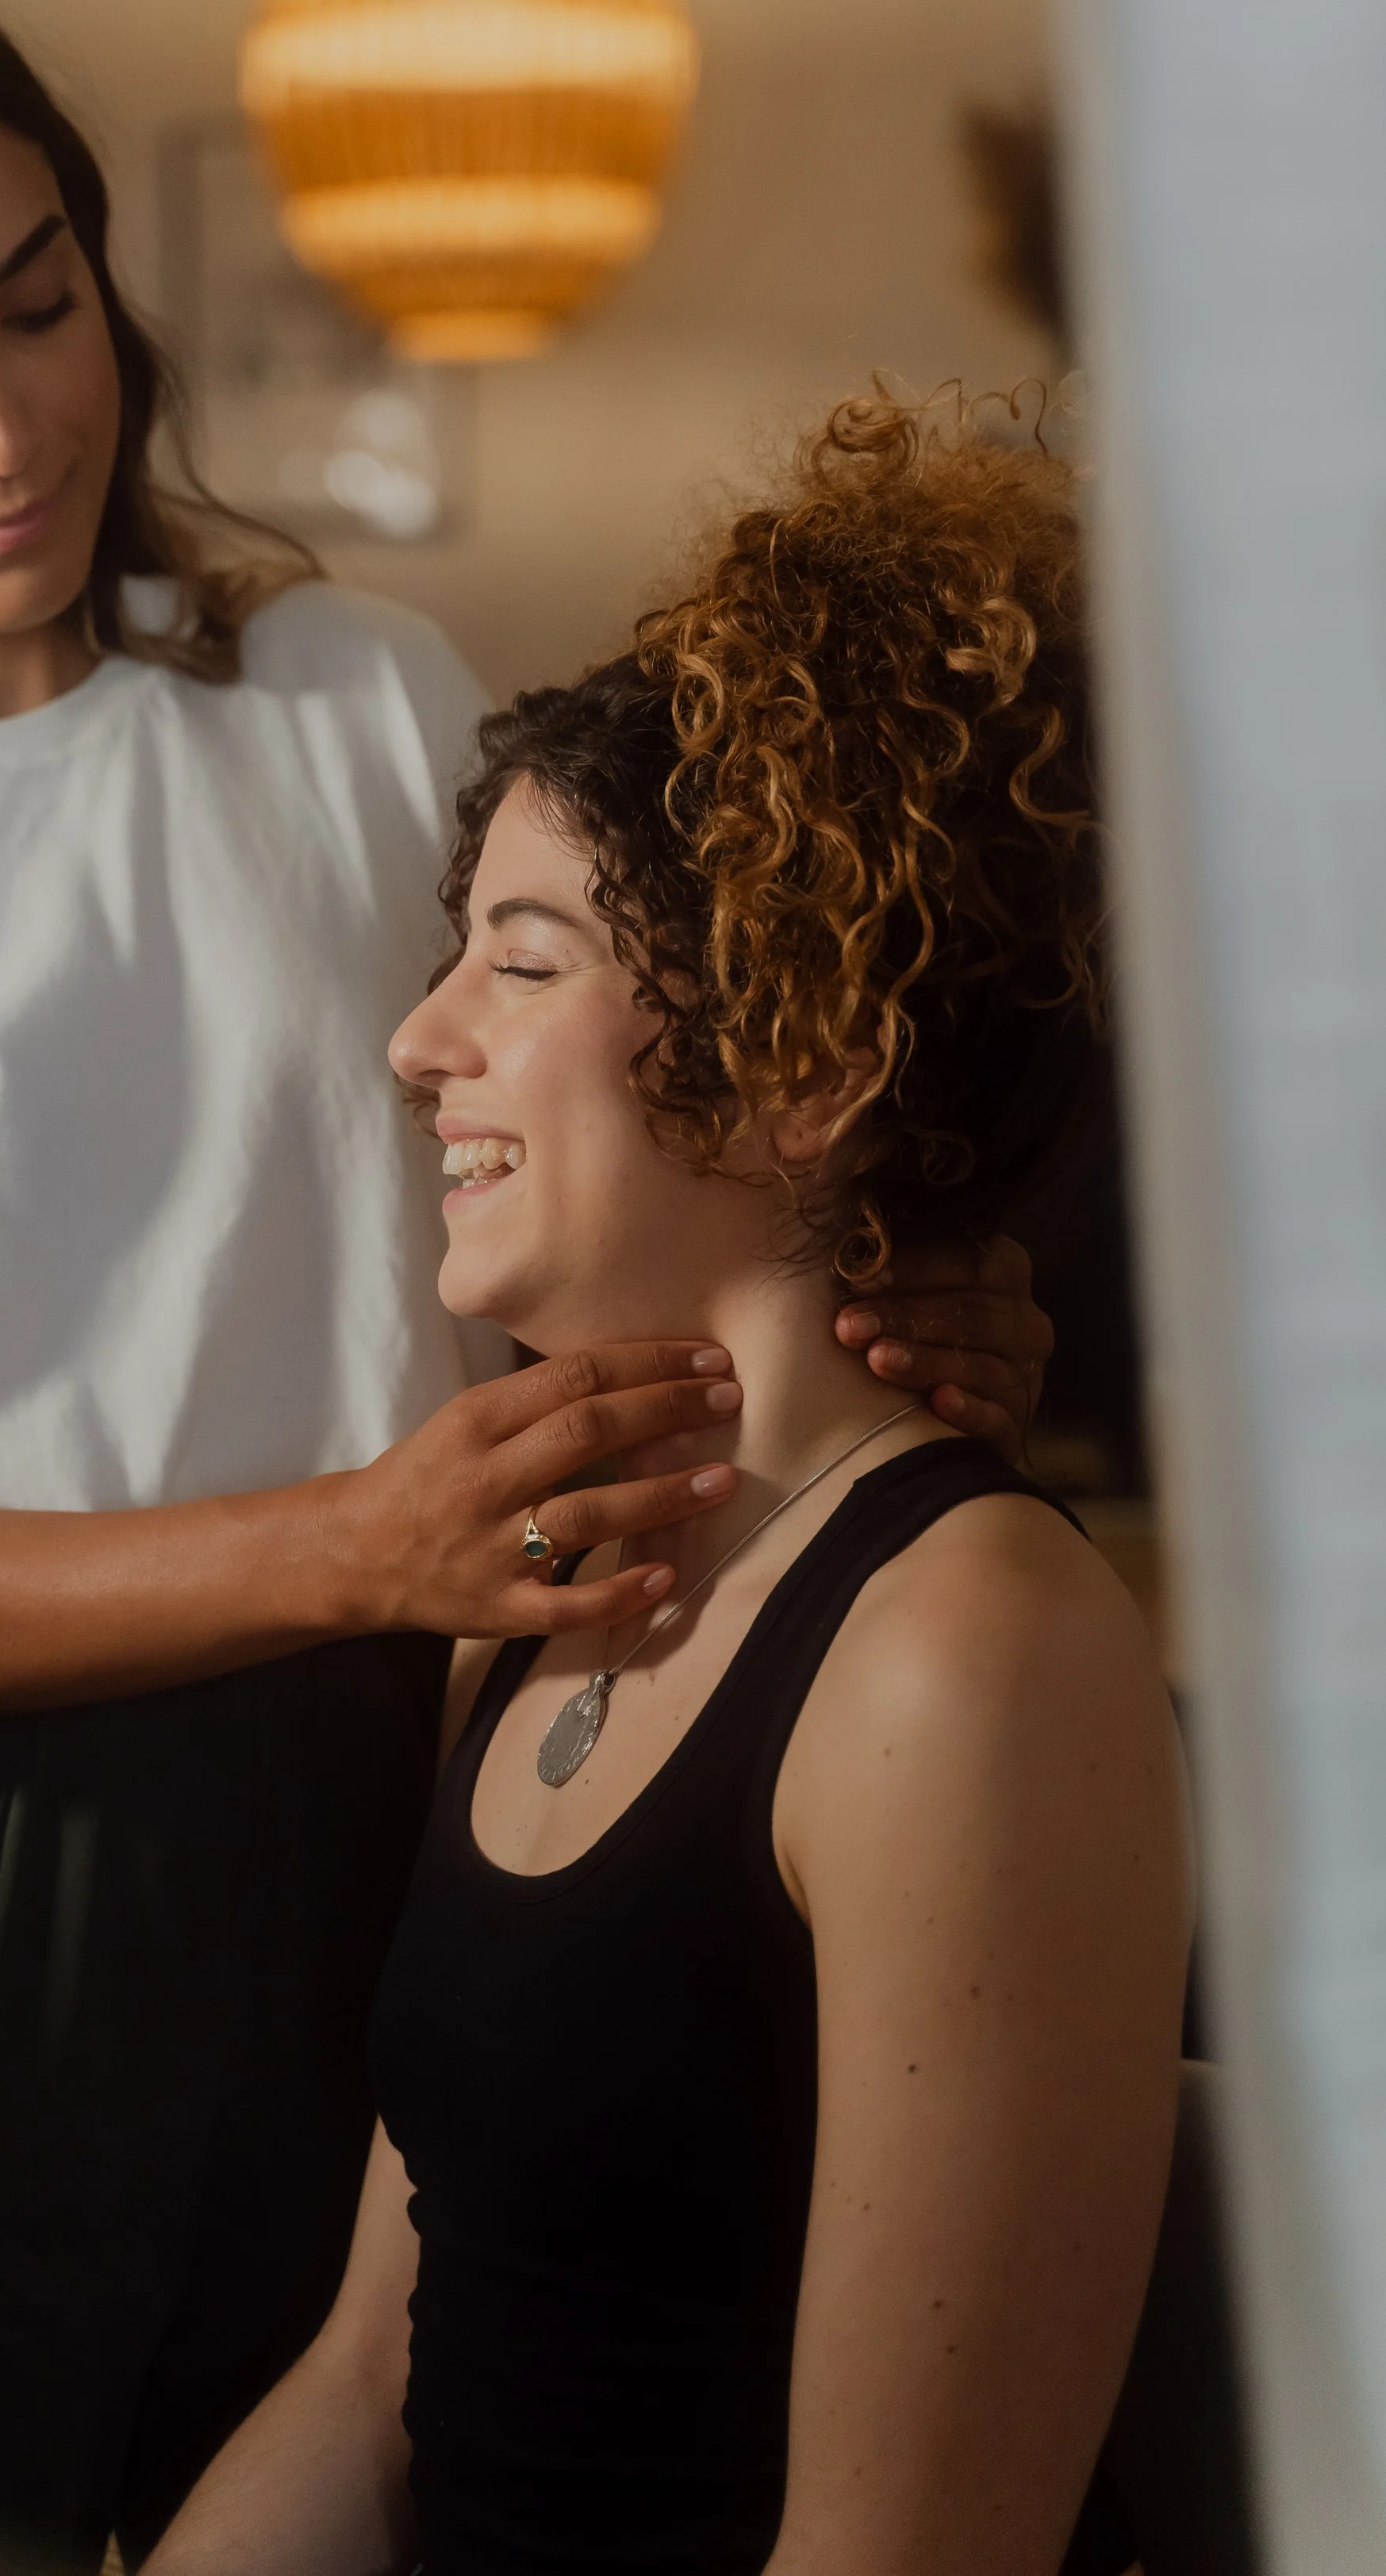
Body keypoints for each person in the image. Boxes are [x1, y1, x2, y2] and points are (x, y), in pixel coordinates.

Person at [0, 0, 1054, 2563]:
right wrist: (356, 1547)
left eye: (37, 303)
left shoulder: (343, 692)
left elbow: (601, 1165)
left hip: (390, 1827)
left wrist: (899, 1283)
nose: (0, 425)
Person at [144, 397, 1190, 2576]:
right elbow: (371, 2382)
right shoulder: (550, 1582)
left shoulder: (969, 1663)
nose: (419, 1038)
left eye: (523, 962)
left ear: (808, 1063)